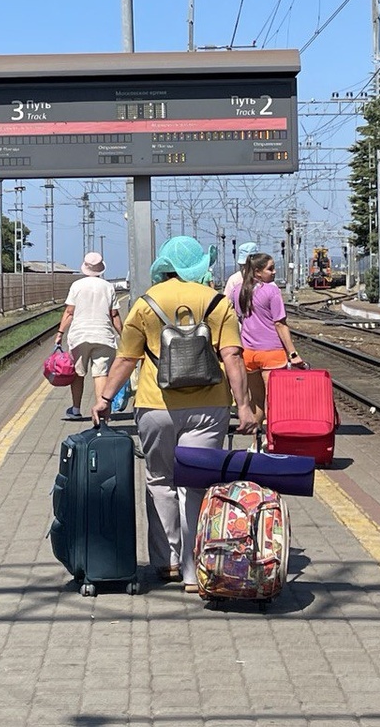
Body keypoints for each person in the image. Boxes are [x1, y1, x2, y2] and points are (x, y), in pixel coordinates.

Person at [91, 236, 258, 592]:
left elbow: (126, 358)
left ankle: (167, 560)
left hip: (156, 405)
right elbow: (232, 356)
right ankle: (194, 569)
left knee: (160, 481)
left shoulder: (146, 303)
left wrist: (105, 398)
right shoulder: (217, 302)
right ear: (198, 267)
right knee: (196, 483)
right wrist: (244, 406)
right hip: (209, 406)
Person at [230, 251, 307, 426]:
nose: (274, 272)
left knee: (256, 400)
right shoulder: (272, 291)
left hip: (248, 353)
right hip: (272, 353)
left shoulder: (238, 290)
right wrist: (293, 354)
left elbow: (239, 318)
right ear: (257, 272)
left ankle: (255, 437)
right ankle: (270, 437)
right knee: (273, 400)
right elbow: (280, 324)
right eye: (270, 269)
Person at [54, 252, 123, 420]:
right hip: (103, 336)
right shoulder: (108, 287)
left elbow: (69, 312)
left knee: (78, 373)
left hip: (80, 337)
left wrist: (60, 333)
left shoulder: (77, 286)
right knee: (101, 374)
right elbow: (114, 315)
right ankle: (101, 412)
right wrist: (124, 335)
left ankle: (76, 410)